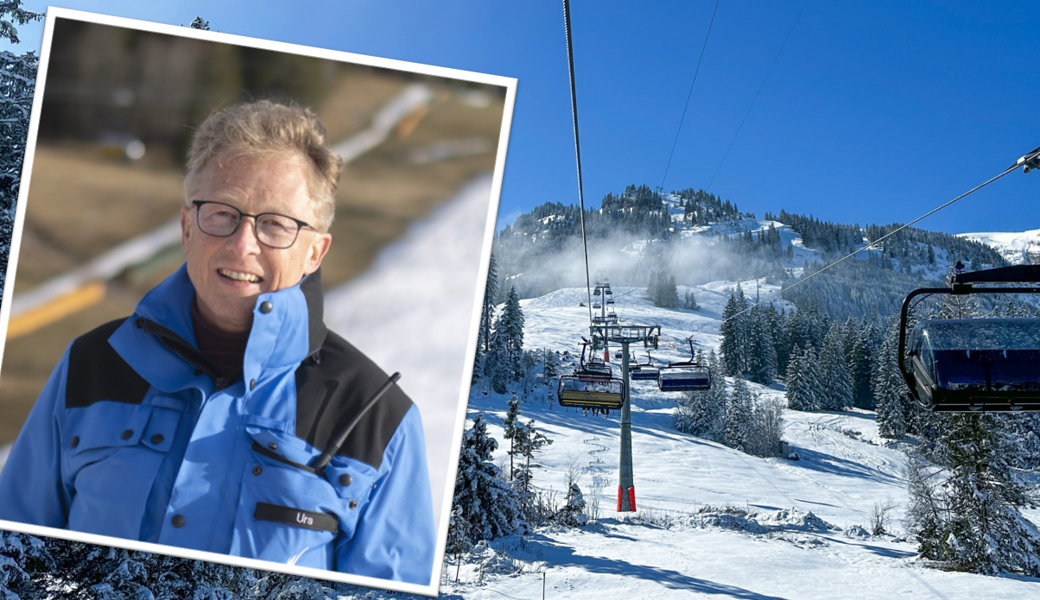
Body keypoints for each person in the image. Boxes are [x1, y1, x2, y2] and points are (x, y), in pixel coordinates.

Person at [0, 101, 435, 585]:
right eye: (222, 213)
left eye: (275, 224)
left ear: (315, 251)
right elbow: (14, 559)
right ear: (187, 228)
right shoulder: (93, 364)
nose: (242, 244)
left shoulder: (377, 417)